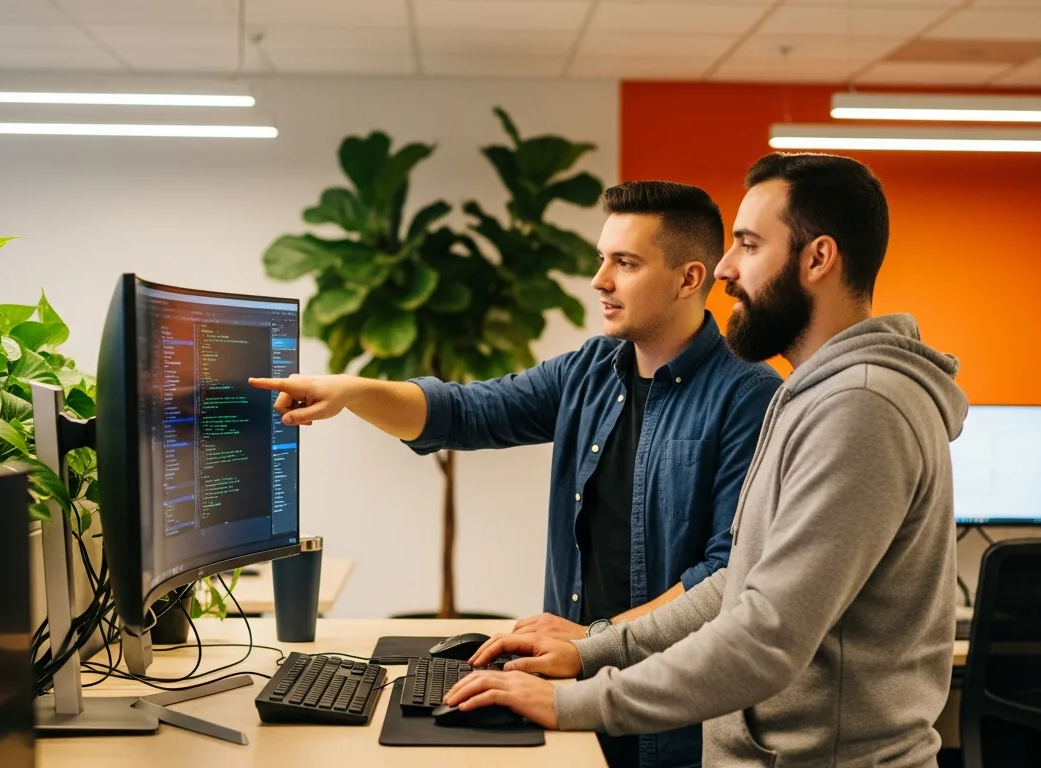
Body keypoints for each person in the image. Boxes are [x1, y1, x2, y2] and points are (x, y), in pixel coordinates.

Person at [446, 152, 968, 768]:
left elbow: (765, 639)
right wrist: (593, 650)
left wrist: (575, 702)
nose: (723, 268)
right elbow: (734, 583)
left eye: (748, 245)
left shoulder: (860, 408)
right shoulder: (812, 396)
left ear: (817, 259)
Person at [252, 180, 782, 768]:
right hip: (568, 685)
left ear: (689, 279)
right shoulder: (590, 371)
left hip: (671, 722)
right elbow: (464, 412)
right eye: (601, 258)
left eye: (625, 263)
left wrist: (597, 639)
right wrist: (352, 392)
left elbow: (726, 573)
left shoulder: (749, 395)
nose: (600, 280)